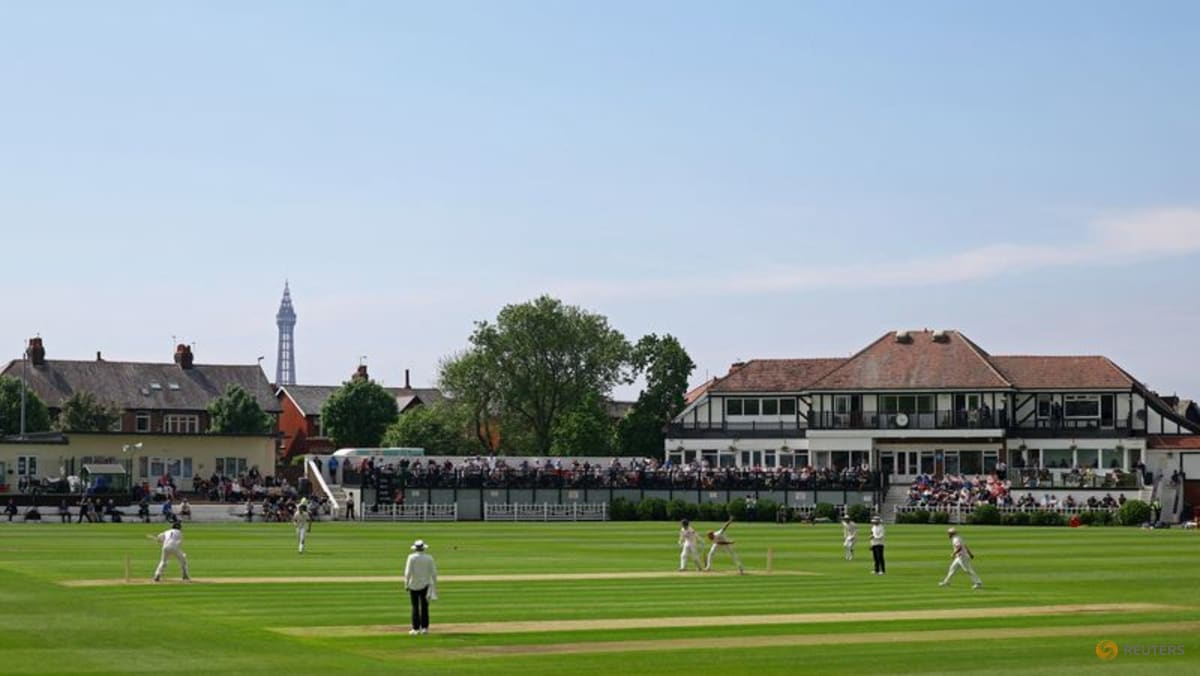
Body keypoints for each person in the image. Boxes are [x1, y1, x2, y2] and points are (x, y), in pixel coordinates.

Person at [404, 539, 438, 635]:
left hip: (413, 585)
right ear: (423, 548)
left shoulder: (411, 557)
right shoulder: (429, 558)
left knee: (415, 606)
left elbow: (407, 572)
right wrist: (434, 586)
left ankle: (415, 629)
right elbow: (434, 573)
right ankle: (425, 628)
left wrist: (406, 583)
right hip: (425, 585)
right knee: (424, 607)